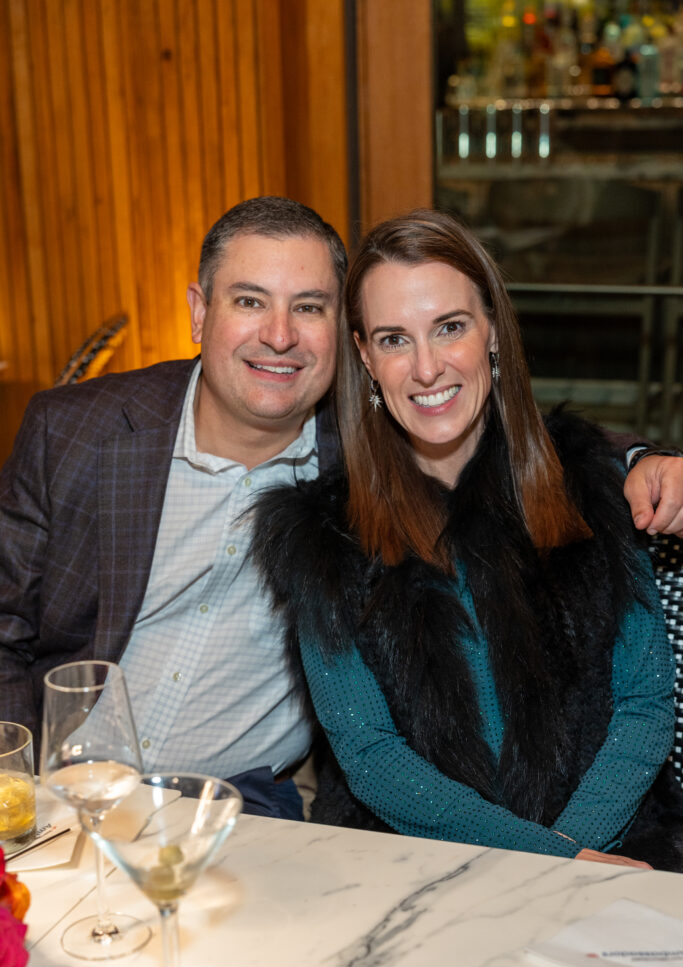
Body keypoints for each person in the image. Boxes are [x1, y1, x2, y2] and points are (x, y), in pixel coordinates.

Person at [0, 196, 681, 821]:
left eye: (308, 307)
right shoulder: (77, 433)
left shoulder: (363, 457)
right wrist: (14, 783)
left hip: (238, 807)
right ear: (199, 311)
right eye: (248, 301)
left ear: (340, 338)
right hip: (61, 788)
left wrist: (639, 461)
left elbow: (514, 438)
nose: (278, 335)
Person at [252, 209, 683, 868]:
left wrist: (575, 854)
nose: (426, 368)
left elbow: (643, 701)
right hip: (413, 865)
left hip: (614, 845)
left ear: (490, 331)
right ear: (364, 356)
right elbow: (369, 755)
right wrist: (548, 863)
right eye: (395, 340)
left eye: (448, 328)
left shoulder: (590, 484)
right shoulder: (322, 536)